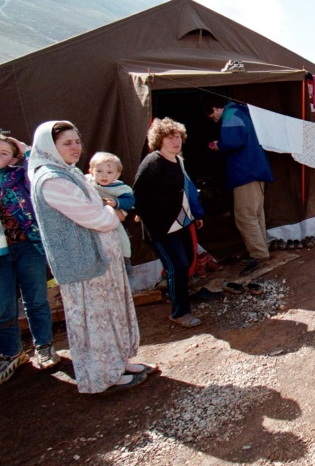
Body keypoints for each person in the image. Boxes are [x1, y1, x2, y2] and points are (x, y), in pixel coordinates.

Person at [29, 121, 157, 394]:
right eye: (67, 143)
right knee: (94, 321)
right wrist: (115, 213)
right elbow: (95, 217)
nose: (75, 147)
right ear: (49, 146)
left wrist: (110, 212)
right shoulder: (51, 180)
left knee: (110, 314)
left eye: (77, 141)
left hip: (98, 261)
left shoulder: (68, 172)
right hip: (82, 265)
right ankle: (102, 377)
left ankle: (118, 364)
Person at [0, 133, 61, 385]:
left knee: (35, 299)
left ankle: (44, 346)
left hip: (26, 246)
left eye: (3, 153)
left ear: (12, 158)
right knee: (2, 307)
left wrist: (25, 150)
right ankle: (12, 353)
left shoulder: (19, 175)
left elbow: (38, 169)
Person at [133, 117, 205, 328]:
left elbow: (185, 191)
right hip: (162, 227)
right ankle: (180, 312)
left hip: (181, 222)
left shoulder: (178, 160)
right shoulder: (152, 163)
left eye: (177, 137)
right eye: (169, 138)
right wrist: (141, 214)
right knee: (178, 266)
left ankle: (175, 292)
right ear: (159, 140)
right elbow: (138, 194)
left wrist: (194, 214)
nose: (175, 141)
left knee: (186, 261)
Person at [203, 97, 274, 276]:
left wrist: (219, 145)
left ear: (216, 108)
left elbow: (235, 141)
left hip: (245, 173)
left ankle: (258, 254)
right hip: (257, 170)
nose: (214, 120)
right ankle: (262, 249)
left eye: (212, 116)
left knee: (245, 216)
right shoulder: (242, 112)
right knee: (256, 214)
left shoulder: (231, 116)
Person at [86, 152, 134, 273]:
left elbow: (130, 201)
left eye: (109, 172)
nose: (104, 175)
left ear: (117, 175)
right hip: (93, 218)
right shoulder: (87, 182)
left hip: (112, 217)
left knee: (121, 234)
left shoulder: (119, 188)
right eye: (99, 171)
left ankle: (126, 258)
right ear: (91, 171)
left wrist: (116, 203)